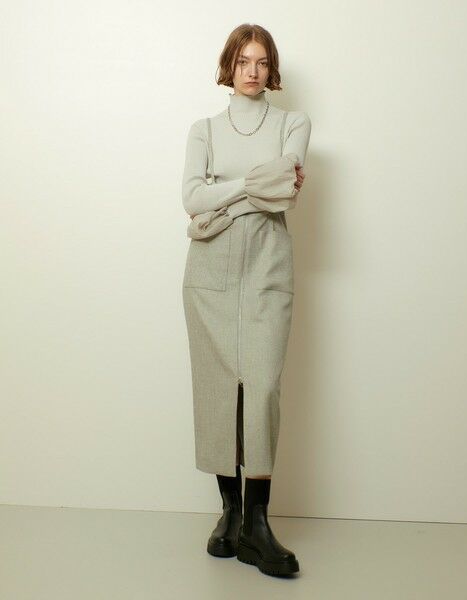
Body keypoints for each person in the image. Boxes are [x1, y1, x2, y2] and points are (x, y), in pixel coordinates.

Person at [181, 23, 311, 577]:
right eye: (243, 61)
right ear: (228, 66)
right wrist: (250, 187)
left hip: (267, 263)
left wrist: (221, 195)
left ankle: (258, 523)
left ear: (271, 68)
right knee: (217, 387)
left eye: (261, 61)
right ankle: (230, 513)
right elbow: (190, 198)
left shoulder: (293, 123)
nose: (252, 71)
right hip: (209, 267)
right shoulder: (204, 128)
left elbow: (284, 189)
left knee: (262, 387)